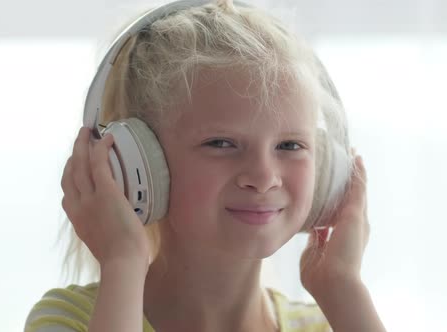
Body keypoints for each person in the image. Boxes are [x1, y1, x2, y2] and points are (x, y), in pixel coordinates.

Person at [25, 0, 386, 331]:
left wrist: (342, 287)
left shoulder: (329, 324)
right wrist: (122, 263)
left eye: (290, 145)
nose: (263, 178)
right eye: (221, 143)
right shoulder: (69, 319)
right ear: (135, 164)